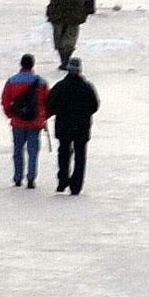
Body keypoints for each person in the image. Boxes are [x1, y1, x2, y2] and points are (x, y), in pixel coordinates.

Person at [46, 57, 99, 195]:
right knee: (80, 155)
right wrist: (84, 114)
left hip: (63, 126)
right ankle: (76, 185)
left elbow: (50, 104)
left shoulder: (60, 86)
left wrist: (59, 111)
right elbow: (94, 106)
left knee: (63, 153)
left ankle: (63, 180)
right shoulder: (87, 87)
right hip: (82, 127)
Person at [1, 53, 49, 188]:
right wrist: (43, 117)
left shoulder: (12, 81)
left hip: (18, 122)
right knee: (33, 151)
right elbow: (47, 102)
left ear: (21, 64)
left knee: (18, 150)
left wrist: (11, 115)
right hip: (35, 122)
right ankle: (31, 178)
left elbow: (5, 101)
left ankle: (17, 177)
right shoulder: (41, 82)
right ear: (33, 65)